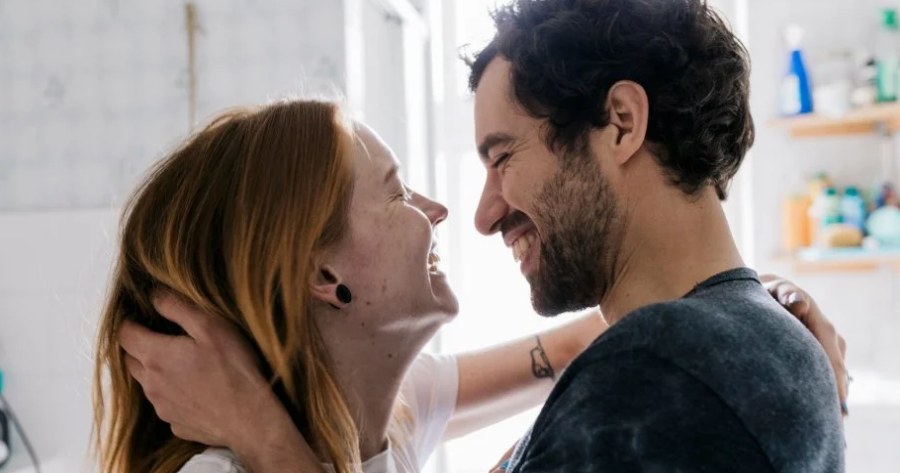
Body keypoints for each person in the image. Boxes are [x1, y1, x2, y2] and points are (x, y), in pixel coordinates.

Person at [99, 99, 845, 473]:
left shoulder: (387, 420)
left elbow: (605, 335)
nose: (447, 211)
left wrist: (752, 304)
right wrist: (266, 443)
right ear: (324, 274)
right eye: (397, 193)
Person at [465, 0, 846, 471]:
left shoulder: (653, 369)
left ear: (621, 122)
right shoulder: (766, 342)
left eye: (503, 158)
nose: (484, 217)